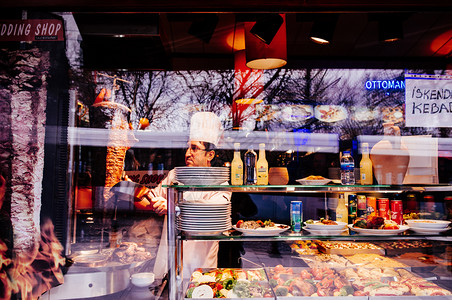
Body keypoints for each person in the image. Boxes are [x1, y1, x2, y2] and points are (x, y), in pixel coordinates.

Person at [134, 112, 231, 279]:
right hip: (169, 263)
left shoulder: (221, 184)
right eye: (188, 147)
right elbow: (148, 198)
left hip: (201, 267)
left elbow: (211, 215)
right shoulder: (175, 175)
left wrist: (173, 208)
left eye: (194, 148)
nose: (187, 153)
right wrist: (143, 197)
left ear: (210, 155)